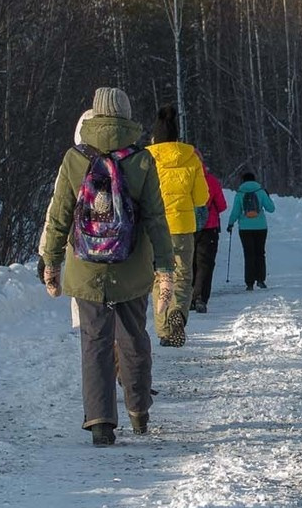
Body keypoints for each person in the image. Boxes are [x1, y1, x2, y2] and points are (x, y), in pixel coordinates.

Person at [36, 87, 176, 446]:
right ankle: (139, 410)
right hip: (132, 267)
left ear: (95, 116)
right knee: (133, 338)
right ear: (126, 117)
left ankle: (100, 422)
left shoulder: (74, 158)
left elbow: (60, 215)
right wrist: (165, 268)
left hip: (86, 267)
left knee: (95, 341)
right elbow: (157, 220)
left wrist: (51, 261)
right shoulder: (143, 160)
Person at [146, 105, 208, 346]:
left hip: (154, 227)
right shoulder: (190, 158)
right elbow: (202, 198)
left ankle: (163, 331)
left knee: (159, 277)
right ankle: (178, 315)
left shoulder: (147, 158)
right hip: (182, 227)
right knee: (182, 276)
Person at [230, 169, 276, 288]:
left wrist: (230, 223)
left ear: (243, 181)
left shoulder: (240, 193)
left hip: (245, 228)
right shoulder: (260, 191)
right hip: (261, 227)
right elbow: (271, 208)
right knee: (260, 253)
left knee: (248, 254)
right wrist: (267, 196)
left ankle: (249, 283)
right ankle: (261, 280)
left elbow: (236, 211)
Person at [190, 166, 226, 313]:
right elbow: (222, 206)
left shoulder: (184, 178)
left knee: (188, 263)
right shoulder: (211, 180)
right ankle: (200, 298)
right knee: (205, 264)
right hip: (209, 228)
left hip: (187, 226)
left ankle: (187, 298)